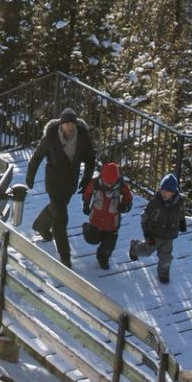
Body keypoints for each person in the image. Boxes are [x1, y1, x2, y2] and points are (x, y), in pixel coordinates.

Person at [23, 108, 96, 268]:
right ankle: (65, 256)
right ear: (61, 125)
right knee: (61, 218)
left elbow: (91, 159)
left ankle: (40, 225)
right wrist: (30, 178)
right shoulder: (51, 138)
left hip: (70, 183)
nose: (70, 127)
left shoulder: (82, 138)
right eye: (67, 124)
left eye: (72, 124)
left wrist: (86, 179)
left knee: (57, 209)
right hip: (54, 182)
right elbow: (36, 157)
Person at [132, 172, 187, 284]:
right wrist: (147, 234)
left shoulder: (179, 202)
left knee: (166, 257)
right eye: (162, 190)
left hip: (169, 235)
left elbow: (180, 212)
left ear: (173, 192)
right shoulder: (155, 202)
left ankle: (163, 274)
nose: (163, 193)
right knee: (146, 252)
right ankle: (134, 248)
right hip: (155, 234)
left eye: (166, 191)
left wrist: (182, 222)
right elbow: (144, 217)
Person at [79, 161, 134, 270]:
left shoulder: (122, 187)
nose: (109, 185)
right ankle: (86, 228)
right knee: (92, 239)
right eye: (107, 182)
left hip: (112, 222)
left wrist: (125, 207)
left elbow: (129, 200)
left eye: (111, 183)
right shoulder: (95, 183)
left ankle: (103, 258)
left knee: (109, 245)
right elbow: (87, 193)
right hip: (96, 218)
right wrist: (86, 205)